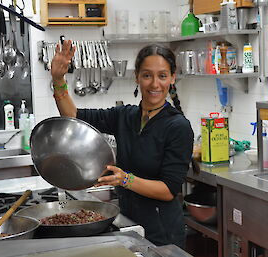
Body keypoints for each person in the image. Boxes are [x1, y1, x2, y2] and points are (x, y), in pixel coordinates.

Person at [50, 40, 194, 249]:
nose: (155, 84)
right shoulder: (125, 115)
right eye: (147, 75)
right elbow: (73, 116)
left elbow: (168, 190)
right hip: (129, 223)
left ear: (172, 78)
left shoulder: (178, 126)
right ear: (137, 77)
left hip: (162, 232)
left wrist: (125, 179)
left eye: (162, 75)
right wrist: (58, 78)